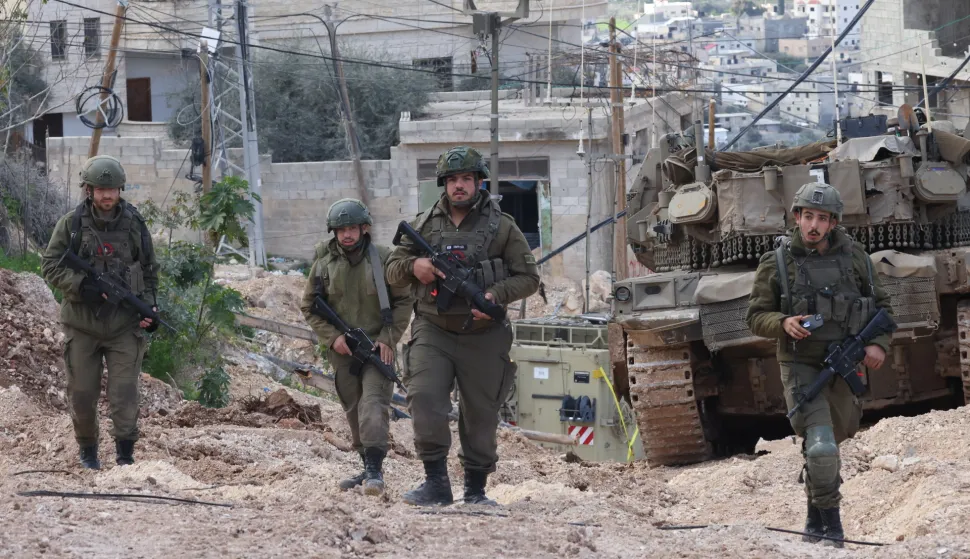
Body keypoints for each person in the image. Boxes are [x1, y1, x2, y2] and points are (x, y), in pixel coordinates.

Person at [385, 146, 540, 506]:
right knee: (424, 397)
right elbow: (392, 270)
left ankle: (475, 490)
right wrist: (414, 267)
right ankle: (436, 483)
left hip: (483, 335)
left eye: (466, 179)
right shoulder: (424, 224)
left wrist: (494, 295)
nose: (459, 185)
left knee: (481, 414)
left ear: (479, 182)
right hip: (433, 329)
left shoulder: (502, 226)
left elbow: (529, 278)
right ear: (444, 184)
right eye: (453, 179)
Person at [745, 182, 893, 547]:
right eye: (808, 216)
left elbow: (883, 307)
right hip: (802, 365)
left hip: (845, 364)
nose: (814, 225)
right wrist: (782, 322)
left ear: (833, 223)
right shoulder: (777, 262)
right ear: (797, 217)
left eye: (822, 218)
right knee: (822, 447)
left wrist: (877, 344)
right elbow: (755, 315)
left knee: (828, 443)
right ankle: (833, 530)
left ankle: (813, 521)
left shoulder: (856, 257)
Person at [41, 155, 159, 470]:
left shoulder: (135, 224)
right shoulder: (71, 224)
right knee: (81, 394)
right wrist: (82, 286)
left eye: (112, 189)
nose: (107, 195)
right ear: (89, 190)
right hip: (82, 325)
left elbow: (149, 270)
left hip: (124, 326)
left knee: (124, 394)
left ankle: (125, 455)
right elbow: (50, 265)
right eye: (101, 189)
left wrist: (149, 306)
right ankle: (88, 452)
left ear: (120, 189)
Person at [300, 198, 412, 496]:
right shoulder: (324, 263)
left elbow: (404, 301)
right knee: (353, 409)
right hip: (344, 352)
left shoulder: (385, 259)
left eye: (352, 228)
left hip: (377, 349)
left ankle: (375, 470)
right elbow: (309, 306)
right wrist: (332, 337)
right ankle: (366, 466)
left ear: (364, 229)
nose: (347, 234)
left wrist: (388, 338)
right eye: (341, 230)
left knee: (373, 406)